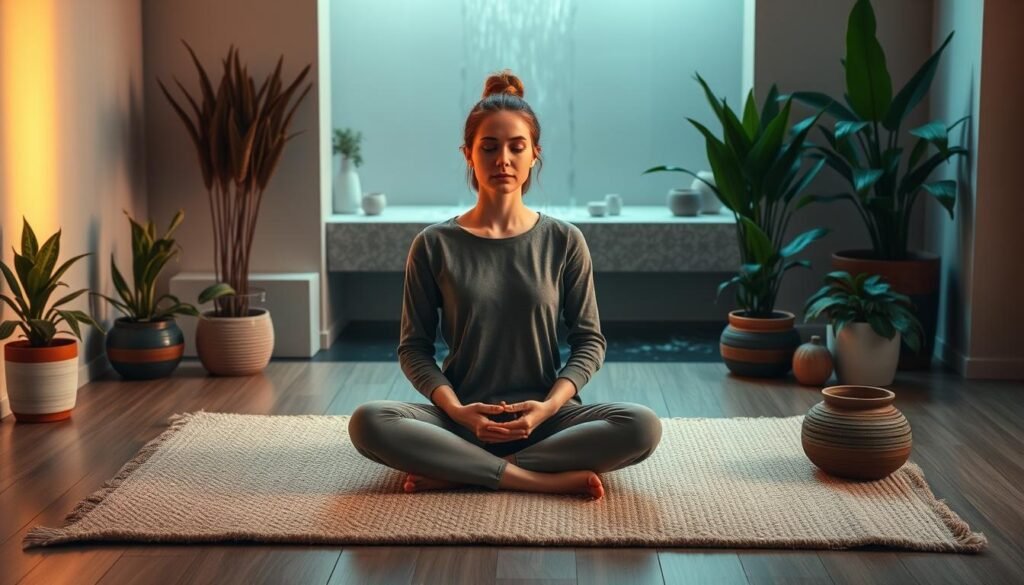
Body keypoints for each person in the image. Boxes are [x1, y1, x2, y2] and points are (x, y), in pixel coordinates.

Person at [348, 70, 662, 500]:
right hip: (460, 421)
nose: (503, 160)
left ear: (535, 154)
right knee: (368, 421)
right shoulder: (433, 244)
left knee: (642, 425)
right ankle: (531, 479)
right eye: (489, 147)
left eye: (517, 147)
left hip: (546, 421)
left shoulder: (564, 240)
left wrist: (548, 407)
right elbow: (414, 348)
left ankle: (464, 473)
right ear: (468, 154)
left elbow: (589, 341)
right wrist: (457, 410)